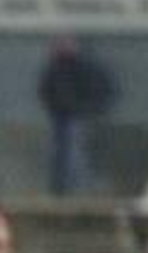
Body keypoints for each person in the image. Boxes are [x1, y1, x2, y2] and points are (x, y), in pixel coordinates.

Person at [37, 36, 115, 196]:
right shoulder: (54, 68)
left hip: (77, 117)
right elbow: (45, 90)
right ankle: (61, 188)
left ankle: (77, 188)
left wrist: (86, 108)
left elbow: (99, 90)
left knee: (76, 153)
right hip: (59, 117)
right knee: (61, 154)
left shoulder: (84, 68)